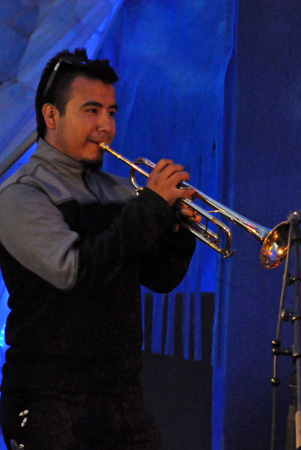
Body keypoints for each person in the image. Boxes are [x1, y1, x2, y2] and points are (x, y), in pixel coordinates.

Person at [0, 48, 198, 450]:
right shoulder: (21, 195)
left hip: (122, 397)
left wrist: (178, 230)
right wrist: (150, 209)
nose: (106, 126)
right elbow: (76, 272)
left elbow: (159, 278)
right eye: (91, 111)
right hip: (48, 401)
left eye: (111, 112)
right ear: (51, 116)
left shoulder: (120, 190)